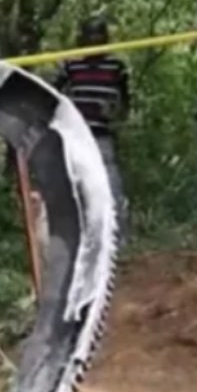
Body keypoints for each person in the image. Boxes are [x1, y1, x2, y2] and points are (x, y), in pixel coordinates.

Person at [53, 15, 132, 242]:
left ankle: (119, 238)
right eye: (90, 35)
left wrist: (115, 112)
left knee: (111, 186)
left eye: (99, 35)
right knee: (77, 188)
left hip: (103, 136)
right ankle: (81, 240)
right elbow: (54, 94)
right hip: (76, 136)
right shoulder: (71, 65)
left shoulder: (116, 66)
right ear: (82, 39)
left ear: (106, 38)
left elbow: (125, 102)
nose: (94, 40)